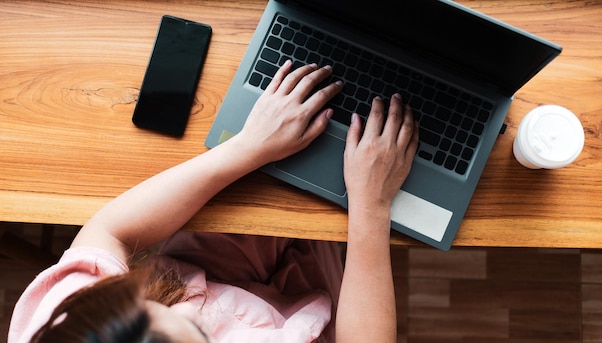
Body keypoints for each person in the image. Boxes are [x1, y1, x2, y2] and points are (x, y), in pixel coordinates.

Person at [8, 60, 419, 343]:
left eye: (144, 306)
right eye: (200, 337)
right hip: (307, 325)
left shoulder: (65, 328)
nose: (191, 312)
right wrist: (372, 206)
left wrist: (248, 147)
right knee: (335, 210)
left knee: (294, 175)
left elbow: (107, 231)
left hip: (209, 268)